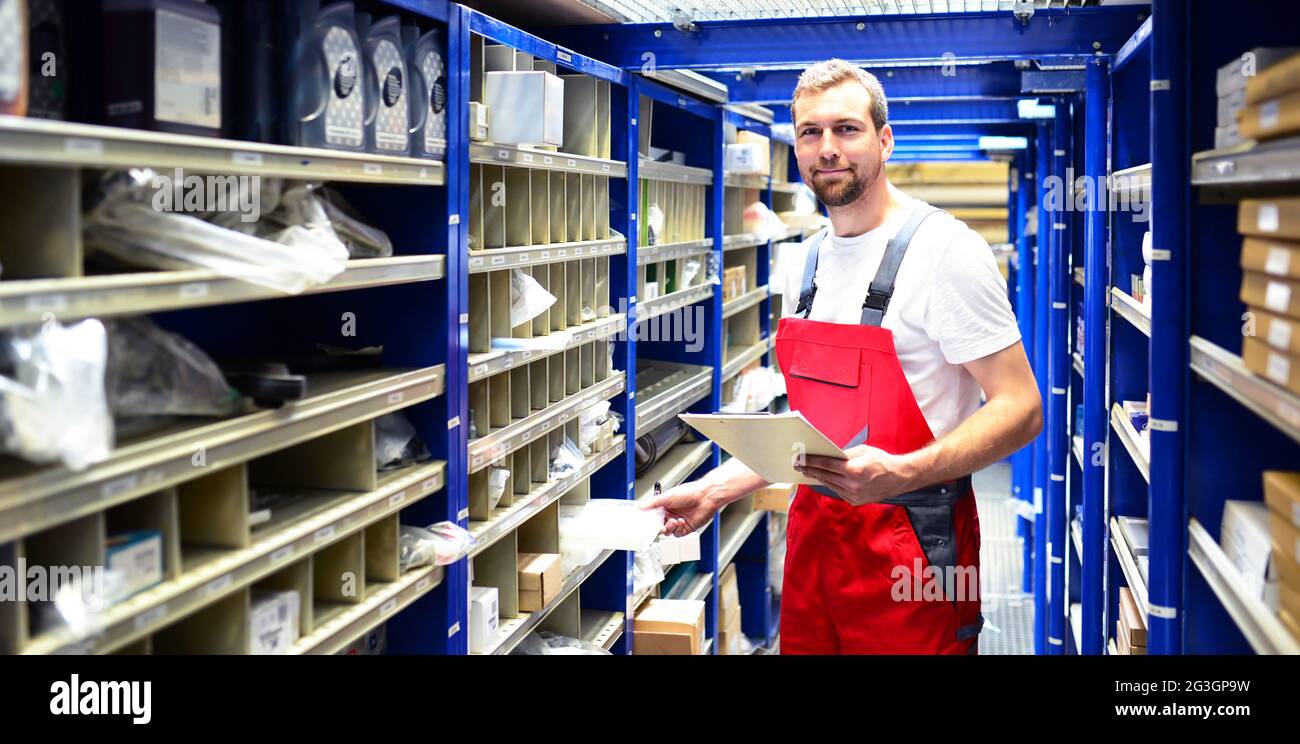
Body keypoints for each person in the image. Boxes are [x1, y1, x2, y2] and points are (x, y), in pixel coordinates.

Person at [643, 59, 1043, 655]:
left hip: (914, 551)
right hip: (815, 546)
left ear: (884, 139)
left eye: (847, 129)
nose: (827, 148)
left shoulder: (946, 252)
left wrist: (902, 471)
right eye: (810, 132)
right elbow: (818, 436)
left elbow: (1022, 406)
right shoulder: (805, 263)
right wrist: (715, 490)